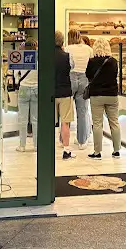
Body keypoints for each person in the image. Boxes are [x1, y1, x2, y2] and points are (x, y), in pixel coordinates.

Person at [86, 38, 121, 159]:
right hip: (112, 95)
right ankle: (117, 150)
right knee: (114, 122)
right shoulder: (114, 62)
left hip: (96, 95)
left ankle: (97, 152)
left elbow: (88, 75)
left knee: (97, 124)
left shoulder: (92, 61)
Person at [66, 29, 93, 149]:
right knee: (82, 111)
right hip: (84, 78)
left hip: (70, 78)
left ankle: (64, 140)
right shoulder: (88, 49)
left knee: (66, 111)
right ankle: (82, 141)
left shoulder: (67, 48)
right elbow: (92, 66)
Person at [54, 31, 75, 160]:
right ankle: (66, 150)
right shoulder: (67, 56)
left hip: (50, 92)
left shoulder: (45, 56)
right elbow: (72, 68)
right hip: (65, 92)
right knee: (65, 123)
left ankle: (48, 149)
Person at [15, 38, 38, 152]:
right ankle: (36, 146)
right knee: (35, 119)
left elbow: (15, 75)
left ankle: (22, 146)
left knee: (22, 119)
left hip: (23, 88)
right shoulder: (39, 58)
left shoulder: (21, 57)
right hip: (36, 89)